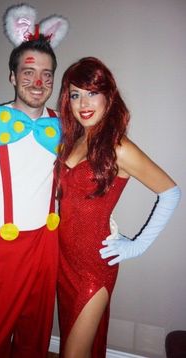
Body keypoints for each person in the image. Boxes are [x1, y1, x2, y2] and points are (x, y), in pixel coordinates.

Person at [0, 4, 69, 358]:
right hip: (0, 248)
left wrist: (103, 210)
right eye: (29, 72)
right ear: (12, 76)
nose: (38, 83)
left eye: (47, 75)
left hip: (46, 244)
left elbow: (79, 176)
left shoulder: (61, 125)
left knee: (34, 342)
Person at [55, 56, 181, 358]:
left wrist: (136, 246)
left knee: (72, 354)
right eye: (75, 94)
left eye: (91, 92)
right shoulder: (71, 141)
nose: (83, 102)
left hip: (94, 267)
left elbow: (170, 193)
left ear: (108, 96)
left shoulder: (119, 147)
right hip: (63, 260)